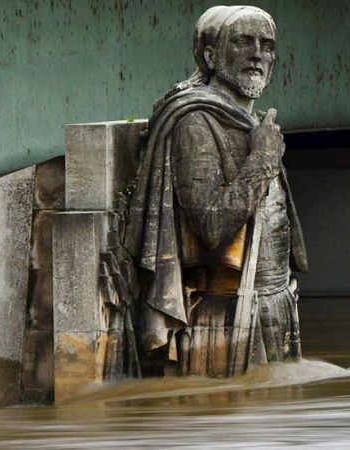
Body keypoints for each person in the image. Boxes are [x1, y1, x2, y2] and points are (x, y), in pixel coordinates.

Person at [123, 5, 308, 377]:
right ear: (210, 55)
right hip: (227, 316)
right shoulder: (195, 123)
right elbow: (210, 226)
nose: (258, 54)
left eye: (266, 45)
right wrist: (263, 159)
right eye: (243, 41)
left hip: (274, 306)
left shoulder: (251, 121)